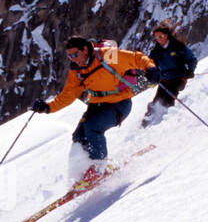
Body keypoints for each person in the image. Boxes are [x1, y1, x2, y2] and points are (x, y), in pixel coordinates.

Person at [30, 35, 154, 180]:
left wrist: (150, 68)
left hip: (119, 103)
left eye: (75, 54)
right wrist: (47, 107)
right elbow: (68, 95)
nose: (74, 59)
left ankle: (98, 166)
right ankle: (85, 171)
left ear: (85, 50)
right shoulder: (77, 70)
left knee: (93, 127)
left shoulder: (106, 56)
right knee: (78, 136)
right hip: (96, 105)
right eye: (70, 56)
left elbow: (136, 58)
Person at [141, 21, 198, 128]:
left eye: (160, 36)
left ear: (166, 35)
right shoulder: (156, 51)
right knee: (157, 99)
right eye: (156, 38)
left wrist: (190, 71)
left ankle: (165, 123)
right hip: (164, 78)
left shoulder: (178, 46)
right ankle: (145, 124)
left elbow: (192, 59)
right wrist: (150, 73)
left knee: (168, 98)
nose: (158, 39)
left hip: (179, 77)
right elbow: (151, 64)